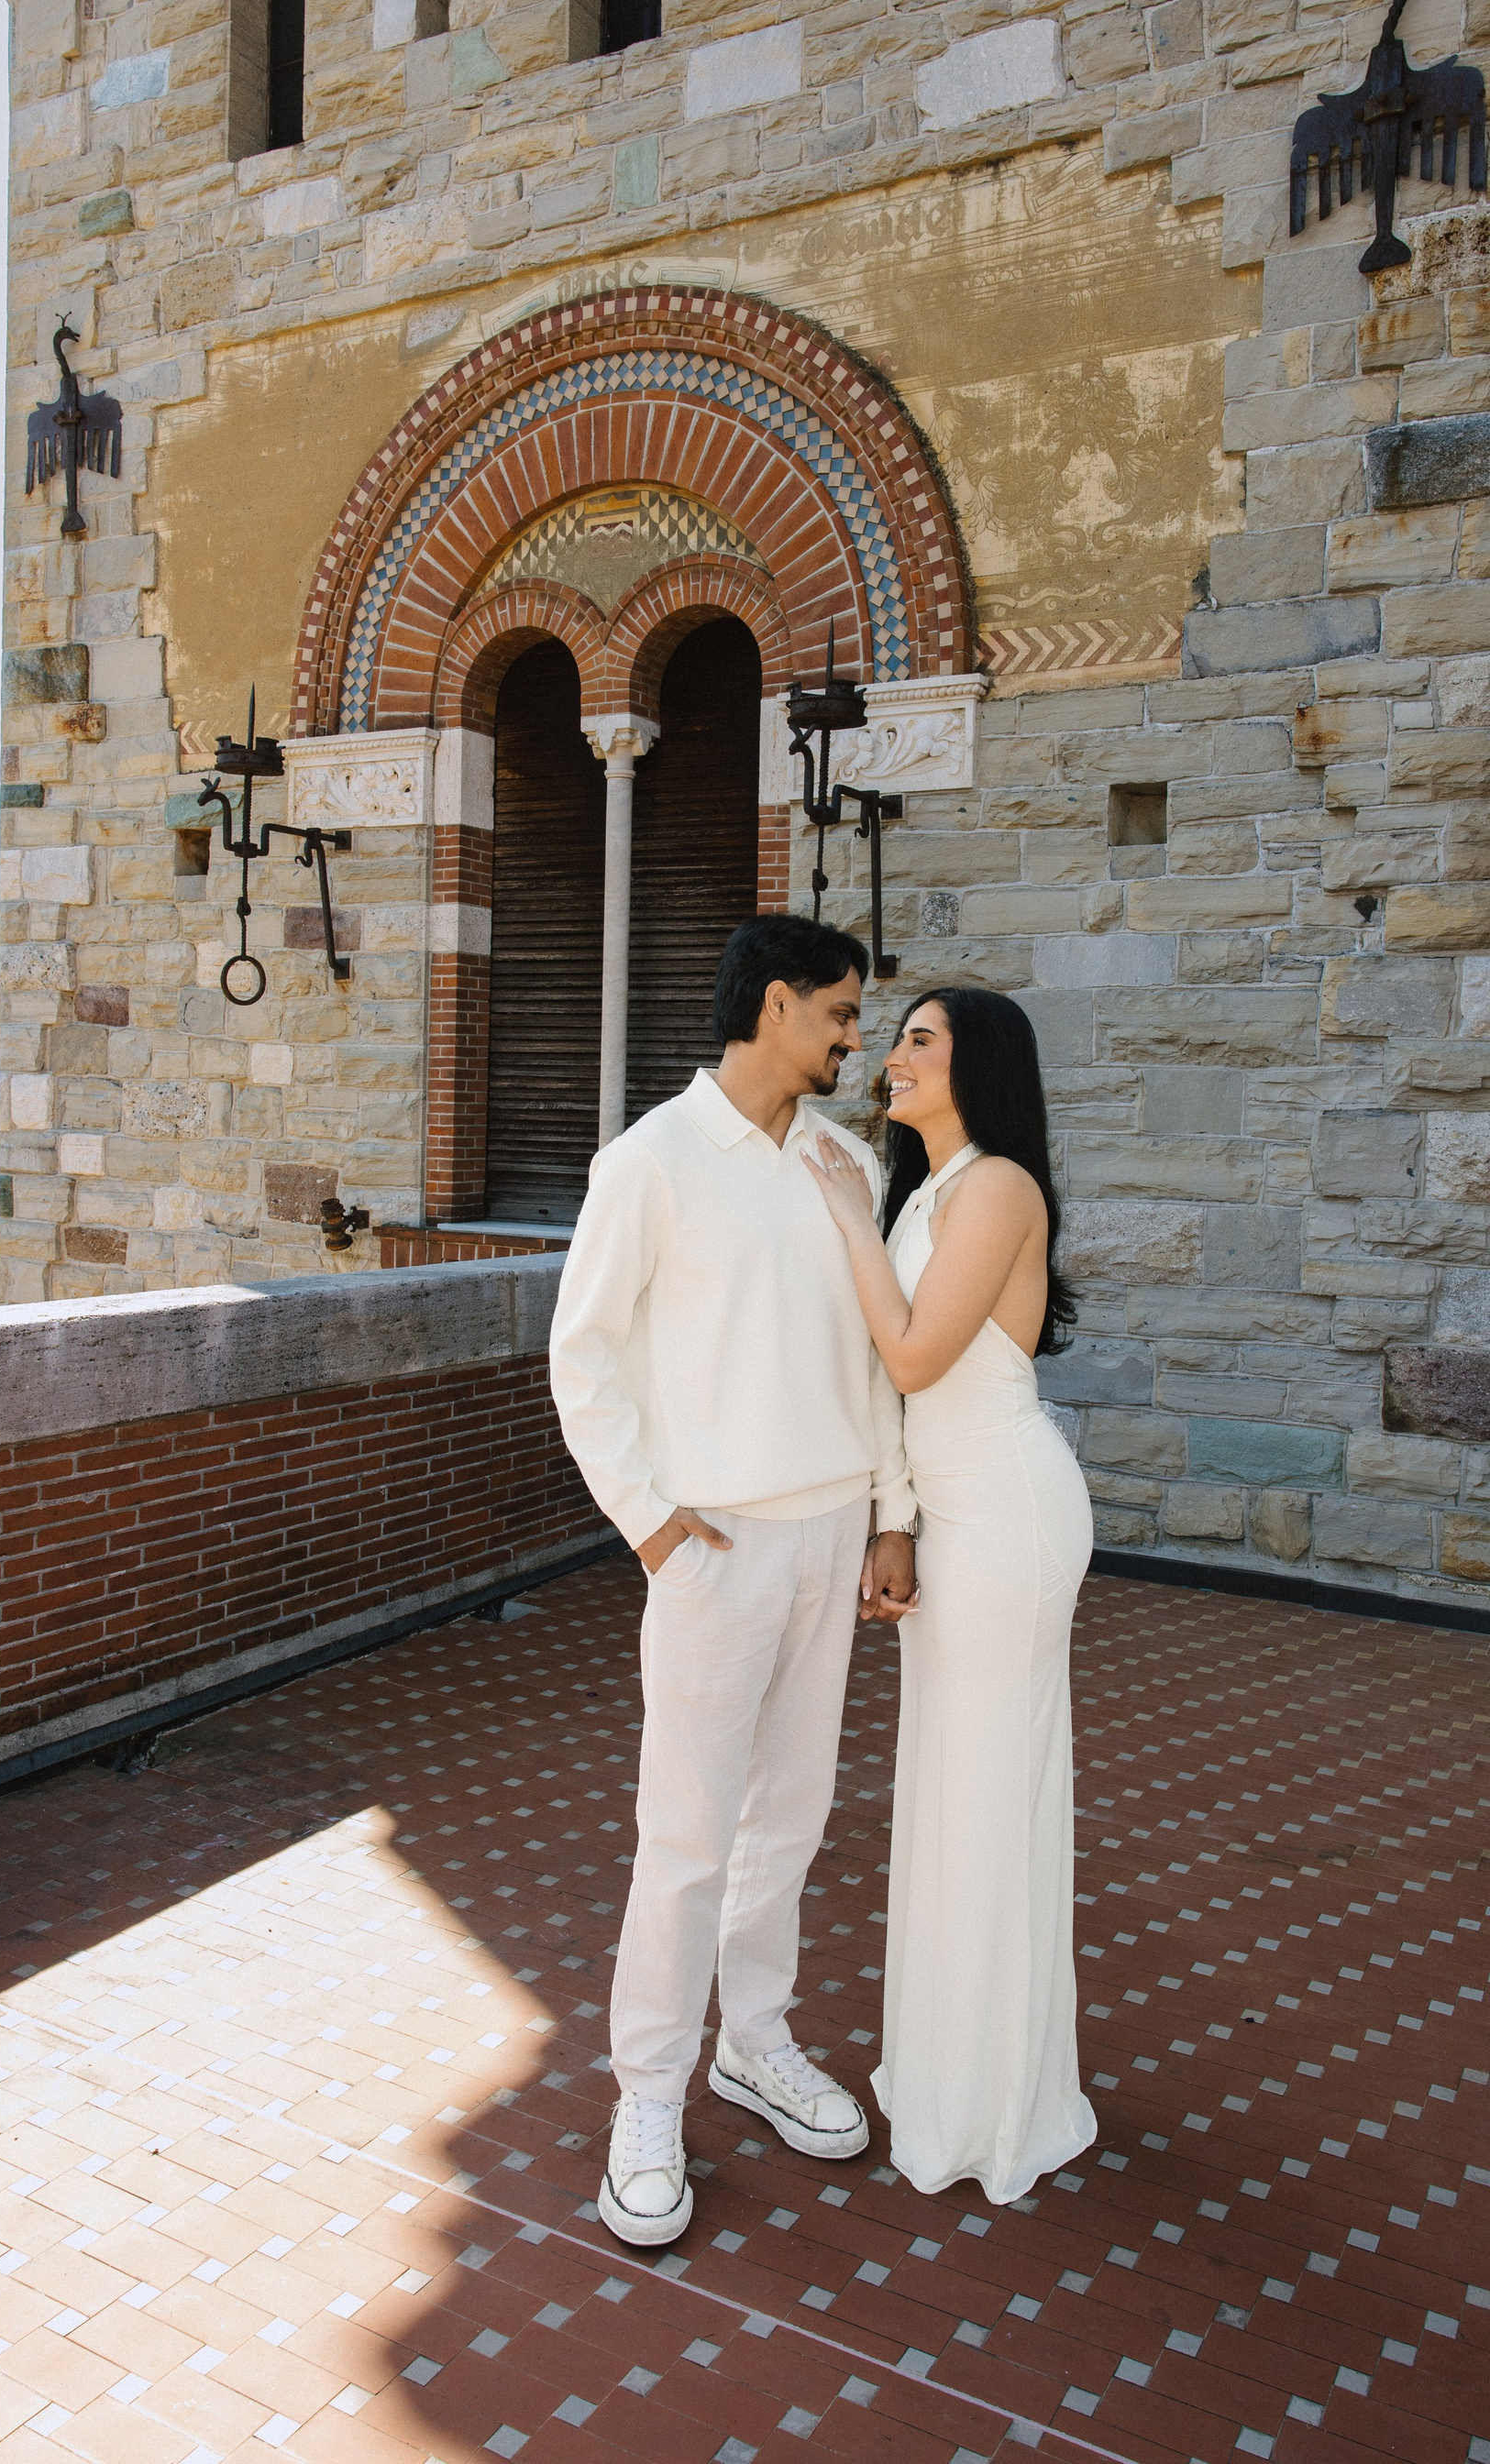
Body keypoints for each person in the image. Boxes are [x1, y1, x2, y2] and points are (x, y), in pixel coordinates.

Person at [548, 914, 920, 2248]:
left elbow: (875, 1361)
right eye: (840, 1013)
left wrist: (890, 1515)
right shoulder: (648, 1161)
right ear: (775, 1005)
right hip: (710, 1549)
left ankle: (754, 2042)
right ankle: (648, 2096)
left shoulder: (843, 1164)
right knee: (688, 1836)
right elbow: (582, 1356)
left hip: (830, 1534)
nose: (855, 1039)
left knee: (794, 1817)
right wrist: (648, 1522)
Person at [801, 984, 1097, 2203]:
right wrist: (899, 1520)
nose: (892, 1057)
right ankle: (945, 2074)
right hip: (954, 1514)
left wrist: (847, 1220)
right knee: (946, 1793)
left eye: (920, 1040)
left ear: (981, 1065)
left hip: (1012, 1517)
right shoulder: (930, 1189)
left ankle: (994, 2107)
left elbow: (917, 1357)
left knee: (987, 1798)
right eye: (896, 1038)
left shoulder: (999, 1188)